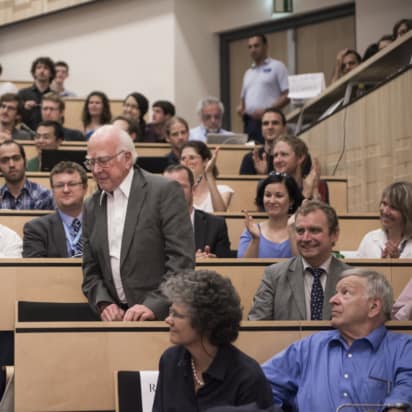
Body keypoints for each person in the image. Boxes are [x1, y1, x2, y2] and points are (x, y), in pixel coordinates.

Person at [82, 125, 194, 322]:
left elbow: (181, 263)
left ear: (126, 159)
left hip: (161, 319)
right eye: (91, 162)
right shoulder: (91, 205)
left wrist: (154, 306)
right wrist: (104, 303)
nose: (96, 170)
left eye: (103, 161)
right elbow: (91, 270)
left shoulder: (163, 192)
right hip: (114, 323)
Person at [262, 268, 412, 411]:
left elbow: (407, 387)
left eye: (345, 293)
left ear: (374, 306)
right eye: (336, 293)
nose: (332, 300)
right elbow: (261, 386)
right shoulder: (308, 348)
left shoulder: (404, 348)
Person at [152, 269, 274, 412]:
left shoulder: (247, 376)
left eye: (177, 315)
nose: (168, 320)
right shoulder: (170, 360)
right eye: (170, 312)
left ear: (206, 322)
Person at [248, 200, 351, 320]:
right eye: (300, 231)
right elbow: (257, 326)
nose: (306, 238)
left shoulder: (352, 279)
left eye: (314, 230)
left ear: (334, 235)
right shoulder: (274, 276)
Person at [164, 164, 232, 258]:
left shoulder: (216, 225)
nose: (174, 191)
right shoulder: (150, 224)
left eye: (181, 186)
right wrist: (190, 260)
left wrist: (213, 262)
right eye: (168, 187)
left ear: (194, 189)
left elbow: (227, 266)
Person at [23, 161, 88, 258]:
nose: (66, 190)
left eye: (72, 184)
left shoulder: (101, 223)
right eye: (59, 185)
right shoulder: (36, 229)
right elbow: (34, 271)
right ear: (53, 191)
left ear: (85, 188)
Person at [237, 34, 289, 144]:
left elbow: (287, 95)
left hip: (269, 121)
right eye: (250, 47)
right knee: (251, 152)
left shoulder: (277, 66)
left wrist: (267, 110)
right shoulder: (248, 73)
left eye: (256, 46)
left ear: (265, 46)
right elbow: (243, 101)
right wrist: (241, 110)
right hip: (250, 122)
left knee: (269, 150)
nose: (253, 50)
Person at [237, 172, 302, 258]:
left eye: (279, 196)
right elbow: (242, 269)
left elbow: (303, 267)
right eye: (268, 195)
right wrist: (255, 240)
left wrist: (292, 232)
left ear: (291, 201)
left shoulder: (302, 231)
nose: (272, 201)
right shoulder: (251, 231)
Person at [356, 181, 412, 258]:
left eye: (393, 207)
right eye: (384, 204)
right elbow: (357, 269)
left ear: (407, 212)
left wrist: (398, 264)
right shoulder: (370, 239)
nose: (385, 211)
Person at [272, 135, 328, 203]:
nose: (278, 160)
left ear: (300, 157)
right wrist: (306, 194)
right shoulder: (268, 186)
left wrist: (315, 190)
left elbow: (322, 213)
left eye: (284, 154)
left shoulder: (318, 185)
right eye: (275, 155)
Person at [180, 141, 233, 212]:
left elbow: (220, 214)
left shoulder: (223, 190)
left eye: (192, 158)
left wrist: (209, 173)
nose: (186, 162)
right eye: (183, 159)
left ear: (205, 161)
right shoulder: (176, 191)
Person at [0, 140, 53, 210]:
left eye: (16, 158)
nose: (11, 165)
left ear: (25, 161)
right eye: (5, 160)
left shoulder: (44, 195)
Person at [239, 108, 287, 175]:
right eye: (265, 123)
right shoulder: (250, 159)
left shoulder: (291, 158)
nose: (270, 127)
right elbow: (244, 185)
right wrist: (261, 175)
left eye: (275, 123)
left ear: (284, 128)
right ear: (261, 128)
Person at [18, 56, 55, 131]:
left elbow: (60, 119)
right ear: (34, 72)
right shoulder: (22, 93)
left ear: (51, 74)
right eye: (39, 67)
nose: (42, 71)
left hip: (49, 135)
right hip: (26, 135)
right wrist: (24, 108)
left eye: (46, 68)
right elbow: (15, 117)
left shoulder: (55, 96)